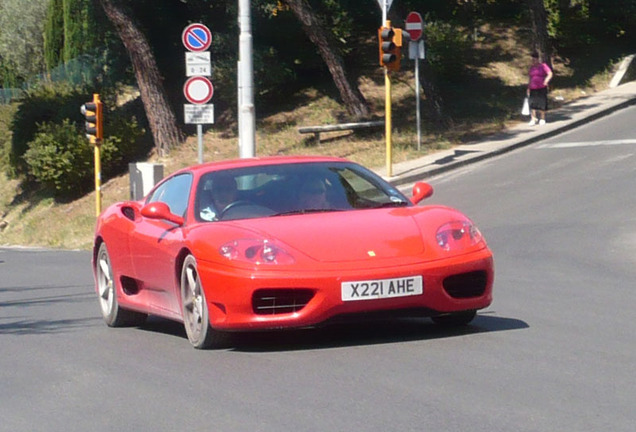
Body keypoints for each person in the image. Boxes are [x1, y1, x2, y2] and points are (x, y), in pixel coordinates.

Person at [526, 51, 553, 126]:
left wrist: (546, 80)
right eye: (532, 60)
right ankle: (533, 118)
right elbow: (530, 78)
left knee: (542, 102)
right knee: (532, 103)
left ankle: (542, 118)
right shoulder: (531, 68)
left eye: (534, 60)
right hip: (533, 87)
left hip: (541, 87)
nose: (533, 62)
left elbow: (550, 73)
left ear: (538, 59)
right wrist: (528, 87)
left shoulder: (543, 66)